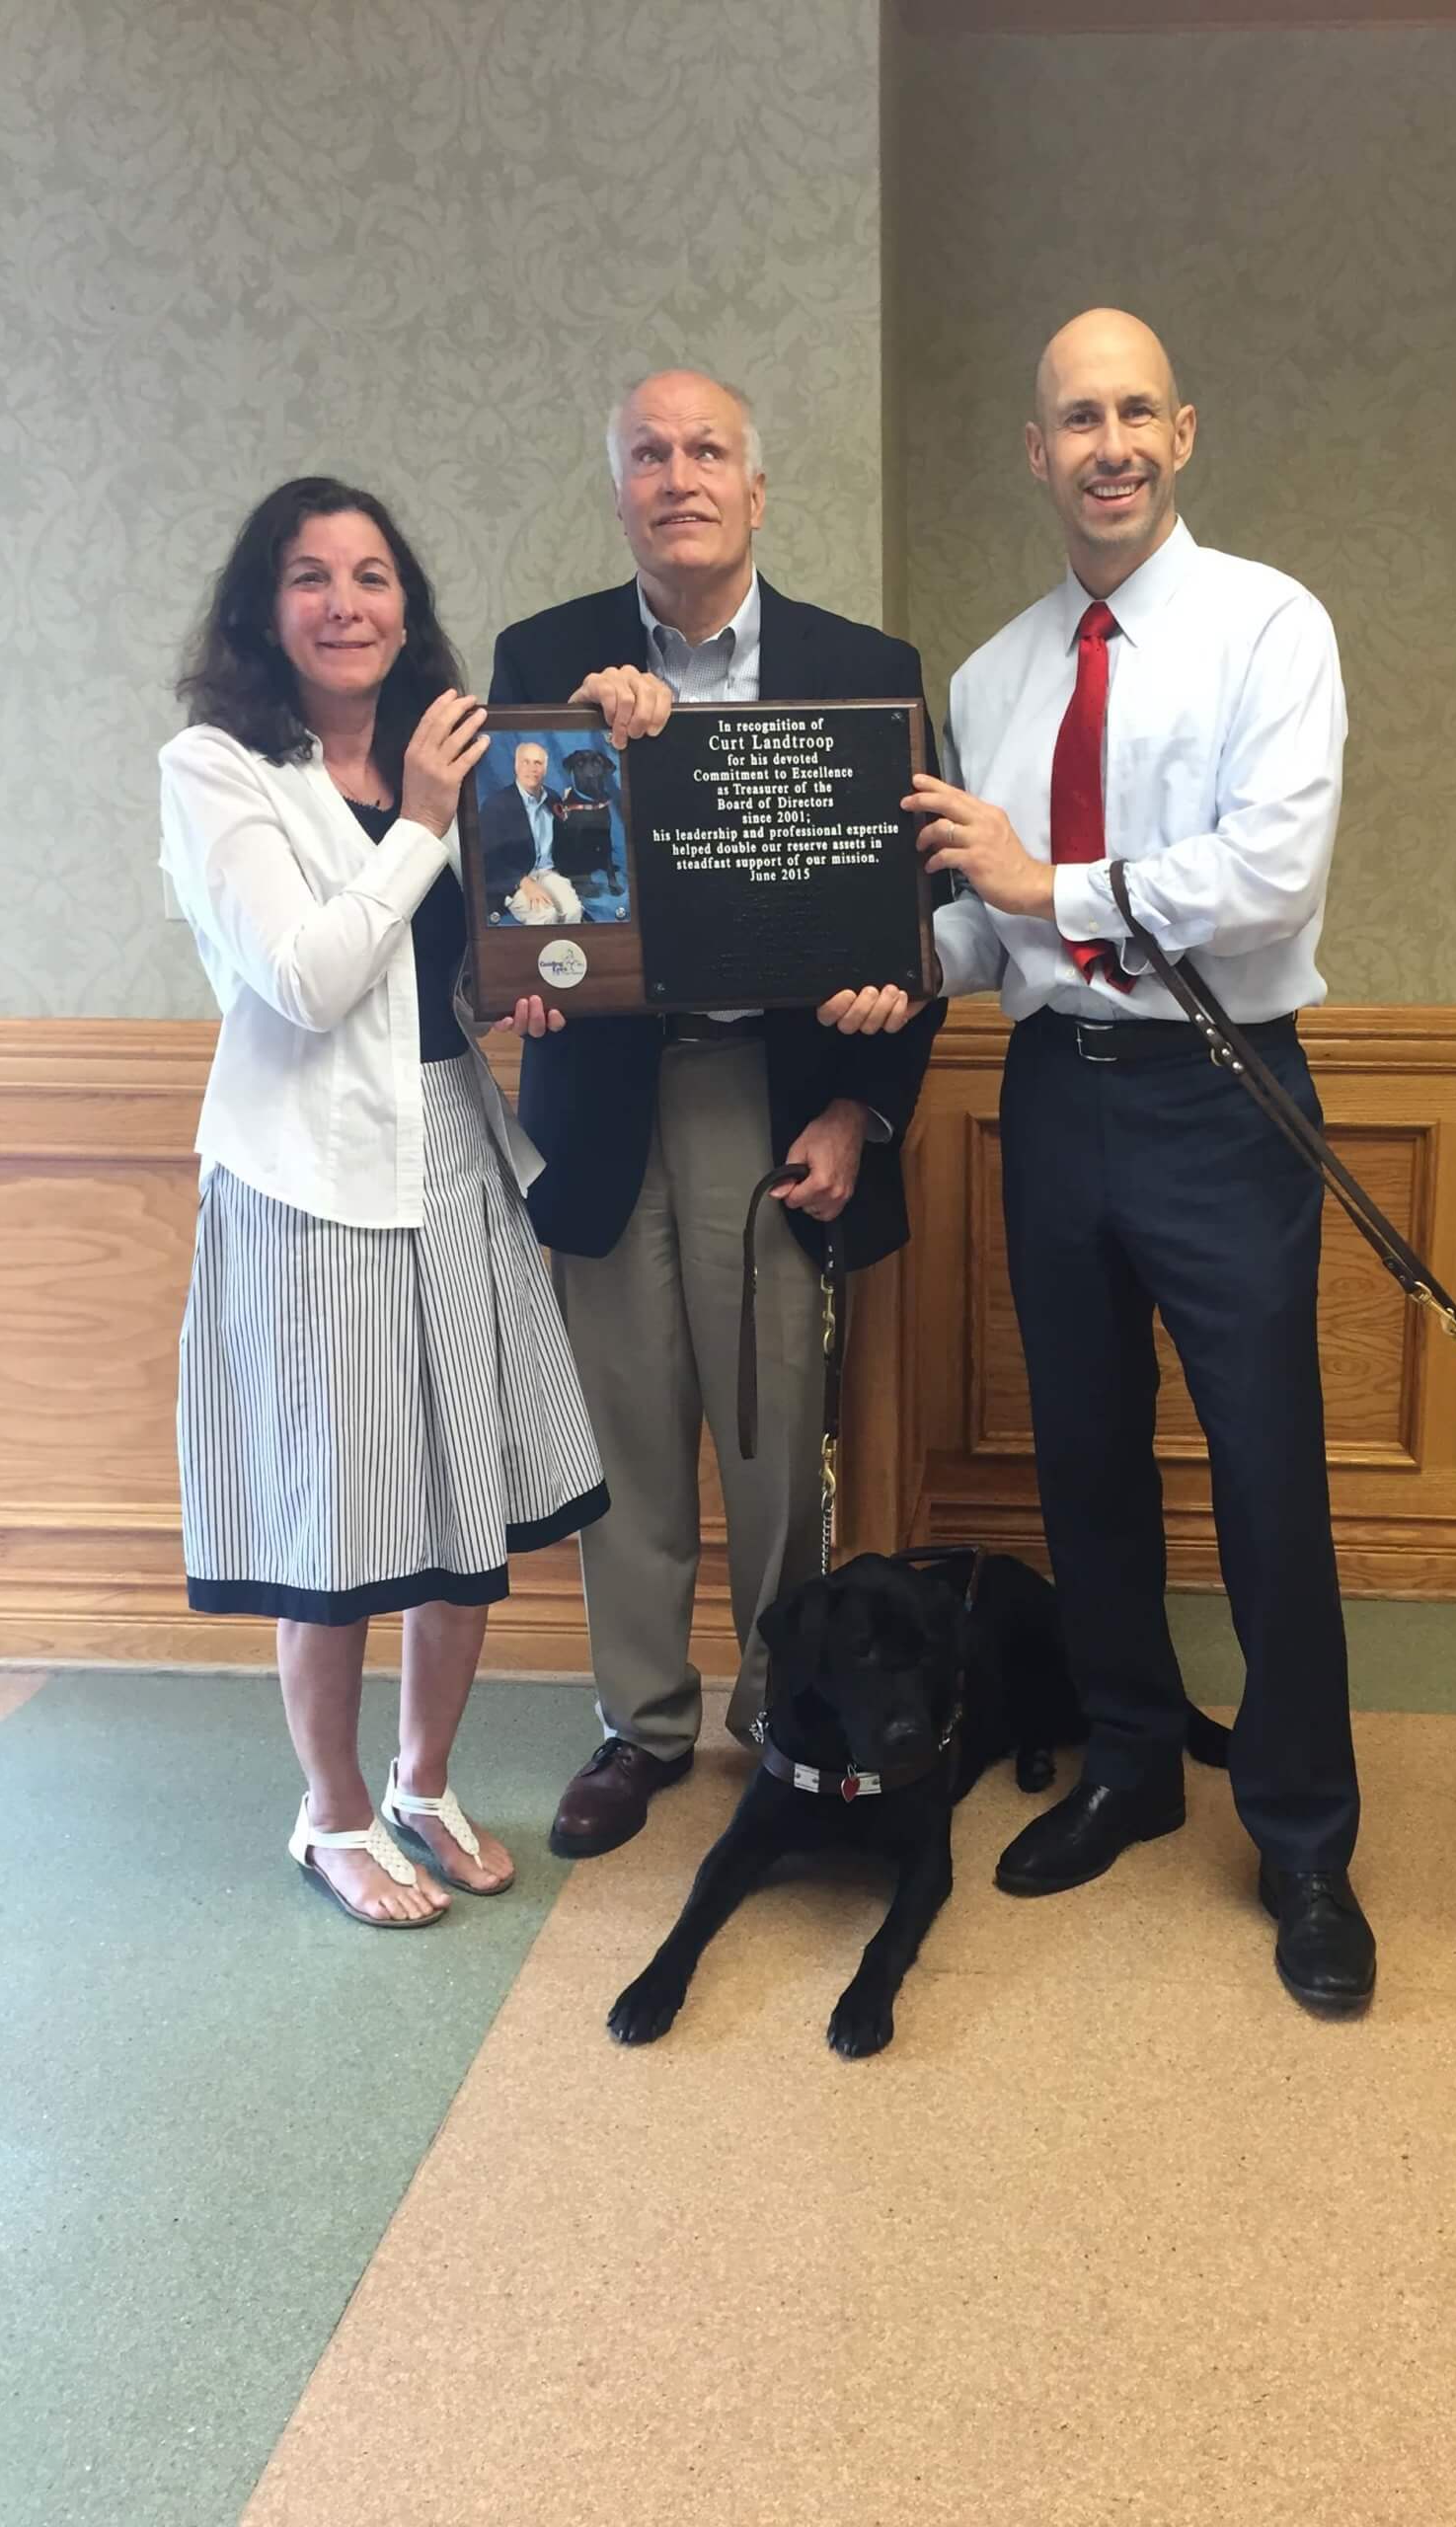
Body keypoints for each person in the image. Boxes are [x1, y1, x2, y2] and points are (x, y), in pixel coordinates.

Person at [831, 309, 1375, 2014]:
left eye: (1139, 411)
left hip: (1226, 1095)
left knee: (1269, 1471)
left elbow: (1266, 877)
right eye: (1080, 416)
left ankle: (1302, 1839)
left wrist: (1040, 885)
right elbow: (999, 944)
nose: (1112, 442)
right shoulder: (993, 678)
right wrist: (908, 959)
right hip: (1059, 1095)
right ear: (1037, 450)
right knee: (1085, 1457)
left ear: (1186, 432)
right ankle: (1134, 1758)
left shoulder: (1269, 627)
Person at [489, 369, 944, 1860]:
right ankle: (641, 1724)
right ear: (617, 490)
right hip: (611, 1091)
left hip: (780, 1105)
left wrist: (866, 1109)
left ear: (757, 489)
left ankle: (782, 1707)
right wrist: (529, 980)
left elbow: (917, 913)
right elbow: (511, 886)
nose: (678, 476)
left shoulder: (863, 668)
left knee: (773, 1433)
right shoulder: (546, 662)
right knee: (623, 1431)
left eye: (708, 452)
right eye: (646, 453)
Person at [160, 476, 608, 1930]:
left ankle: (423, 1783)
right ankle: (333, 1814)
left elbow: (459, 960)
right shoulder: (221, 768)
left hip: (452, 1152)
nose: (346, 603)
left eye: (371, 574)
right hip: (308, 1186)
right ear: (263, 609)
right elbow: (302, 976)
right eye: (310, 577)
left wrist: (518, 994)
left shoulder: (456, 753)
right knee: (338, 1517)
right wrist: (419, 816)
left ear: (405, 600)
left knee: (458, 1494)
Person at [480, 739, 560, 892]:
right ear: (516, 766)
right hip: (514, 879)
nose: (532, 768)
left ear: (545, 769)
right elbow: (488, 856)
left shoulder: (553, 799)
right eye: (526, 762)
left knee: (572, 910)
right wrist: (520, 880)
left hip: (549, 874)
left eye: (538, 763)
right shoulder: (496, 805)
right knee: (545, 915)